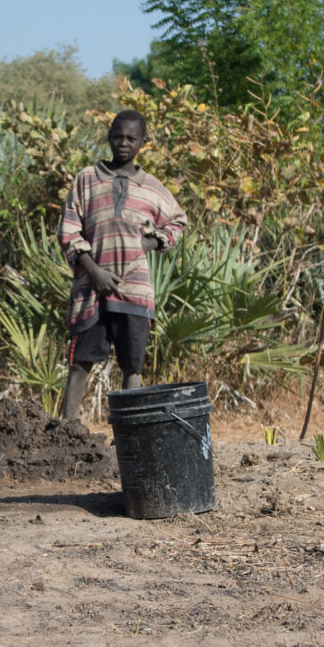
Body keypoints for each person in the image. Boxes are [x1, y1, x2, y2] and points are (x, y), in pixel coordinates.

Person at [57, 107, 187, 421]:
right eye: (118, 136)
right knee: (80, 362)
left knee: (133, 365)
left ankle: (129, 432)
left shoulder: (153, 187)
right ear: (108, 137)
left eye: (131, 138)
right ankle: (67, 430)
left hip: (134, 290)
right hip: (92, 290)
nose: (123, 143)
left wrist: (149, 242)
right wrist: (94, 270)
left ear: (143, 142)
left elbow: (178, 222)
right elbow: (69, 228)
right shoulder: (87, 179)